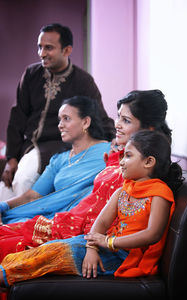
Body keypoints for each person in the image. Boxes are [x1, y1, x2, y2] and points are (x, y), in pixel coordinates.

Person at [0, 89, 172, 261]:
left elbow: (139, 228)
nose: (117, 124)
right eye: (118, 117)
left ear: (86, 122)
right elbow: (34, 195)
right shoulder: (112, 157)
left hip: (78, 231)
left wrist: (95, 244)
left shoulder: (135, 169)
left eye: (125, 120)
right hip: (68, 222)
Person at [0, 130, 184, 287]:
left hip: (123, 256)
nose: (120, 161)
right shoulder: (122, 190)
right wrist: (92, 248)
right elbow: (101, 222)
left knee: (54, 254)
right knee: (47, 248)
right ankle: (4, 274)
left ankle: (4, 276)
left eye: (128, 155)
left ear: (148, 162)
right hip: (103, 247)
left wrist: (108, 243)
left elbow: (153, 233)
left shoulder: (160, 193)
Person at [0, 23, 115, 200]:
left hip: (61, 145)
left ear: (67, 50)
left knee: (23, 180)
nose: (42, 53)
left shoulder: (83, 81)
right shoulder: (31, 74)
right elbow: (18, 116)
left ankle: (23, 226)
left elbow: (99, 117)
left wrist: (115, 141)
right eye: (40, 47)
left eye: (49, 48)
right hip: (30, 145)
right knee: (7, 187)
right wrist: (11, 158)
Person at [0, 96, 111, 227]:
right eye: (60, 120)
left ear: (86, 122)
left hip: (86, 222)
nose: (60, 125)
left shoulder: (109, 151)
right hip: (55, 220)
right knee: (12, 224)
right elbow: (32, 196)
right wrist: (3, 205)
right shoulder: (58, 160)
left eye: (66, 119)